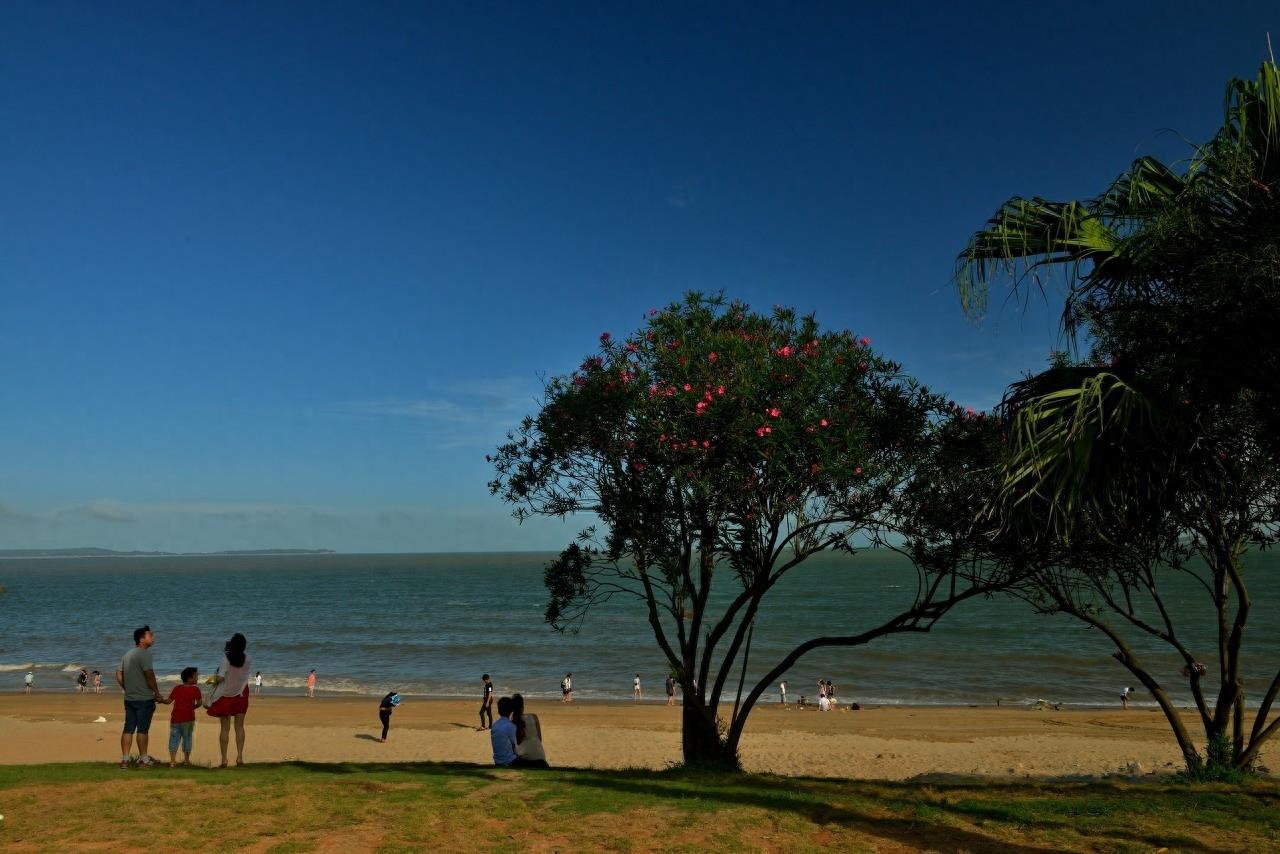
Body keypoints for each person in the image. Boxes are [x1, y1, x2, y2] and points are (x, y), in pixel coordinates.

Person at [116, 624, 163, 769]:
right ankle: (143, 759)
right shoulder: (145, 654)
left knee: (128, 728)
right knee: (143, 729)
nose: (153, 637)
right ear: (141, 639)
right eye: (150, 635)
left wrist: (127, 688)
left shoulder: (128, 654)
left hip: (130, 698)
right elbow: (149, 674)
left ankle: (125, 759)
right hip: (144, 699)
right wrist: (156, 692)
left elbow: (118, 673)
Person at [206, 633, 253, 767]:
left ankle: (224, 760)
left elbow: (220, 678)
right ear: (244, 646)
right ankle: (239, 758)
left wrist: (210, 680)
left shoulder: (226, 659)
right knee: (240, 727)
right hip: (242, 693)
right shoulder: (249, 659)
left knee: (224, 729)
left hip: (226, 695)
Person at [159, 667, 202, 767]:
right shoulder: (196, 689)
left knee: (174, 738)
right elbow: (199, 703)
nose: (197, 678)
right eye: (196, 676)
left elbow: (168, 701)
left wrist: (161, 700)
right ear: (189, 678)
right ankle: (186, 761)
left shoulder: (177, 688)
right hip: (188, 719)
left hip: (175, 718)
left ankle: (172, 761)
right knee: (187, 738)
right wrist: (192, 707)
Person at [512, 693, 548, 767]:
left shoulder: (512, 722)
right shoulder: (534, 717)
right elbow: (540, 739)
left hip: (524, 760)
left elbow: (513, 746)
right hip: (540, 757)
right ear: (523, 707)